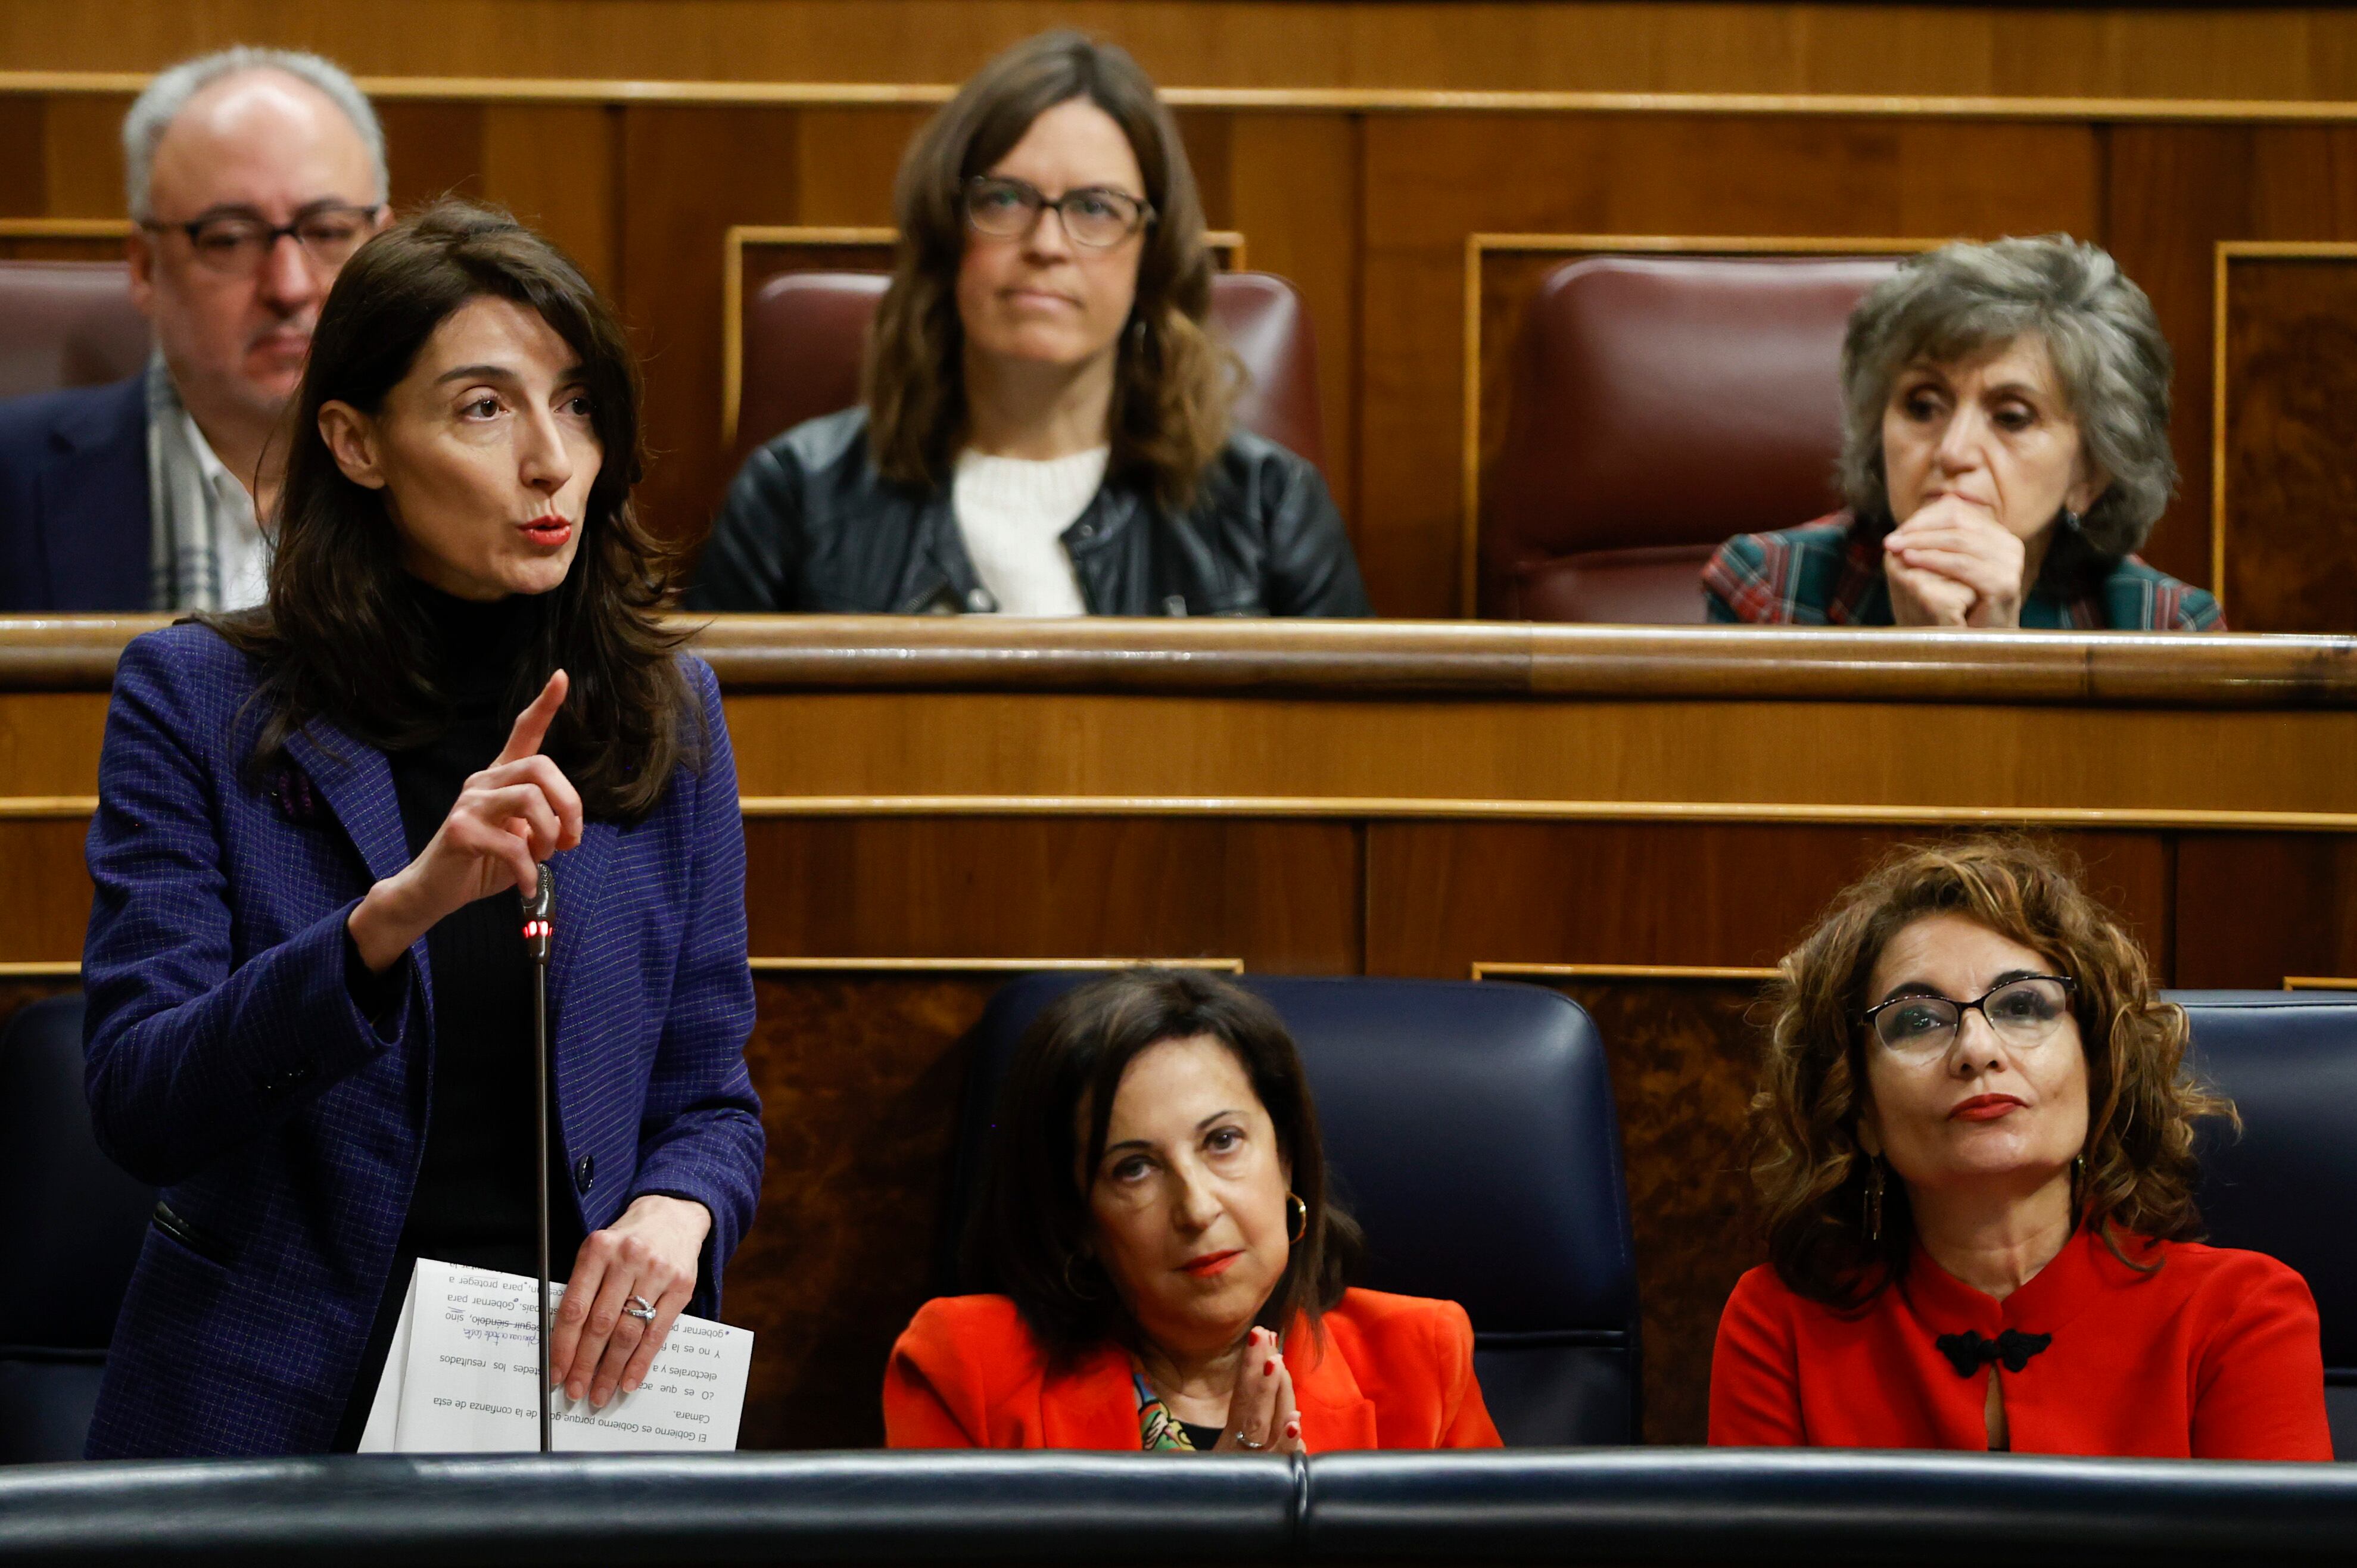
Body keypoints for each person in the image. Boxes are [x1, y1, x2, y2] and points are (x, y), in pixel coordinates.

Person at [79, 202, 764, 1457]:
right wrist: (391, 918)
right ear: (356, 441)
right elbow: (141, 1098)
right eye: (484, 408)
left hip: (569, 1408)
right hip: (278, 1413)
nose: (551, 460)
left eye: (577, 403)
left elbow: (710, 1096)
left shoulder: (665, 710)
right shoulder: (197, 700)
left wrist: (682, 1205)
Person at [690, 31, 1368, 618]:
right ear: (949, 233)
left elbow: (1349, 759)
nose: (1048, 242)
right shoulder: (793, 495)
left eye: (1096, 208)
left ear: (1150, 253)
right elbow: (702, 756)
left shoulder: (1268, 506)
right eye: (1006, 198)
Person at [1710, 838, 2328, 1459]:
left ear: (2097, 1067)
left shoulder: (2239, 1314)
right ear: (1859, 1107)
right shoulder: (1780, 1325)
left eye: (2023, 1004)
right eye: (1918, 1019)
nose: (1977, 1049)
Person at [885, 968, 1500, 1451]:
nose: (1197, 1208)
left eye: (1222, 1140)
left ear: (1285, 1156)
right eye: (1134, 1167)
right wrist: (1220, 1533)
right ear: (1079, 1218)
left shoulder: (1422, 1360)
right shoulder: (967, 1372)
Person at [0, 47, 391, 614]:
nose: (289, 286)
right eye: (229, 238)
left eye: (328, 231)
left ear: (383, 246)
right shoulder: (11, 482)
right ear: (144, 268)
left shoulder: (458, 481)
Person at [1702, 236, 2221, 631]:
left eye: (2011, 417)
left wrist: (1990, 660)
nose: (1952, 452)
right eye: (1922, 405)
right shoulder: (1774, 589)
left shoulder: (2161, 625)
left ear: (2090, 474)